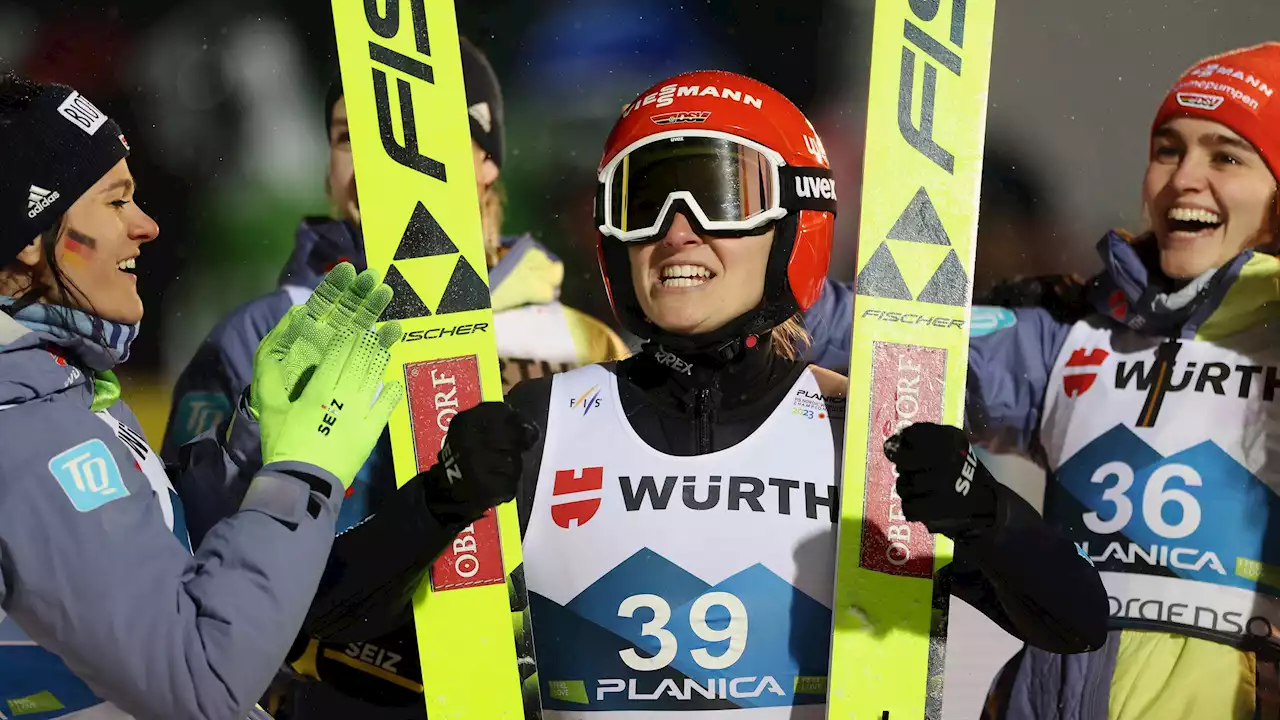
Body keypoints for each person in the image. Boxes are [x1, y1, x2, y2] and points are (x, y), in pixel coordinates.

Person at [316, 69, 1109, 717]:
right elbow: (330, 622)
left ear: (794, 224)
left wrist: (986, 516)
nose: (677, 229)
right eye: (644, 201)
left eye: (722, 198)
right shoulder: (544, 422)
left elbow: (1075, 621)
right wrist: (437, 507)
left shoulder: (860, 436)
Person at [803, 42, 1280, 720]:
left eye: (1226, 157)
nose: (1184, 180)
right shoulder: (1070, 329)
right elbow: (873, 334)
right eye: (1169, 150)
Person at [161, 37, 628, 719]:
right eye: (347, 138)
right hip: (329, 696)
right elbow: (193, 548)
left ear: (485, 159)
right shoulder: (264, 333)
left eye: (403, 141)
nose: (373, 168)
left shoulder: (582, 340)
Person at [0, 73, 403, 719]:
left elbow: (150, 569)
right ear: (28, 233)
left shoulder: (51, 387)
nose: (147, 225)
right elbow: (198, 684)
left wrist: (252, 443)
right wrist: (302, 472)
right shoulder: (26, 431)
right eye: (115, 201)